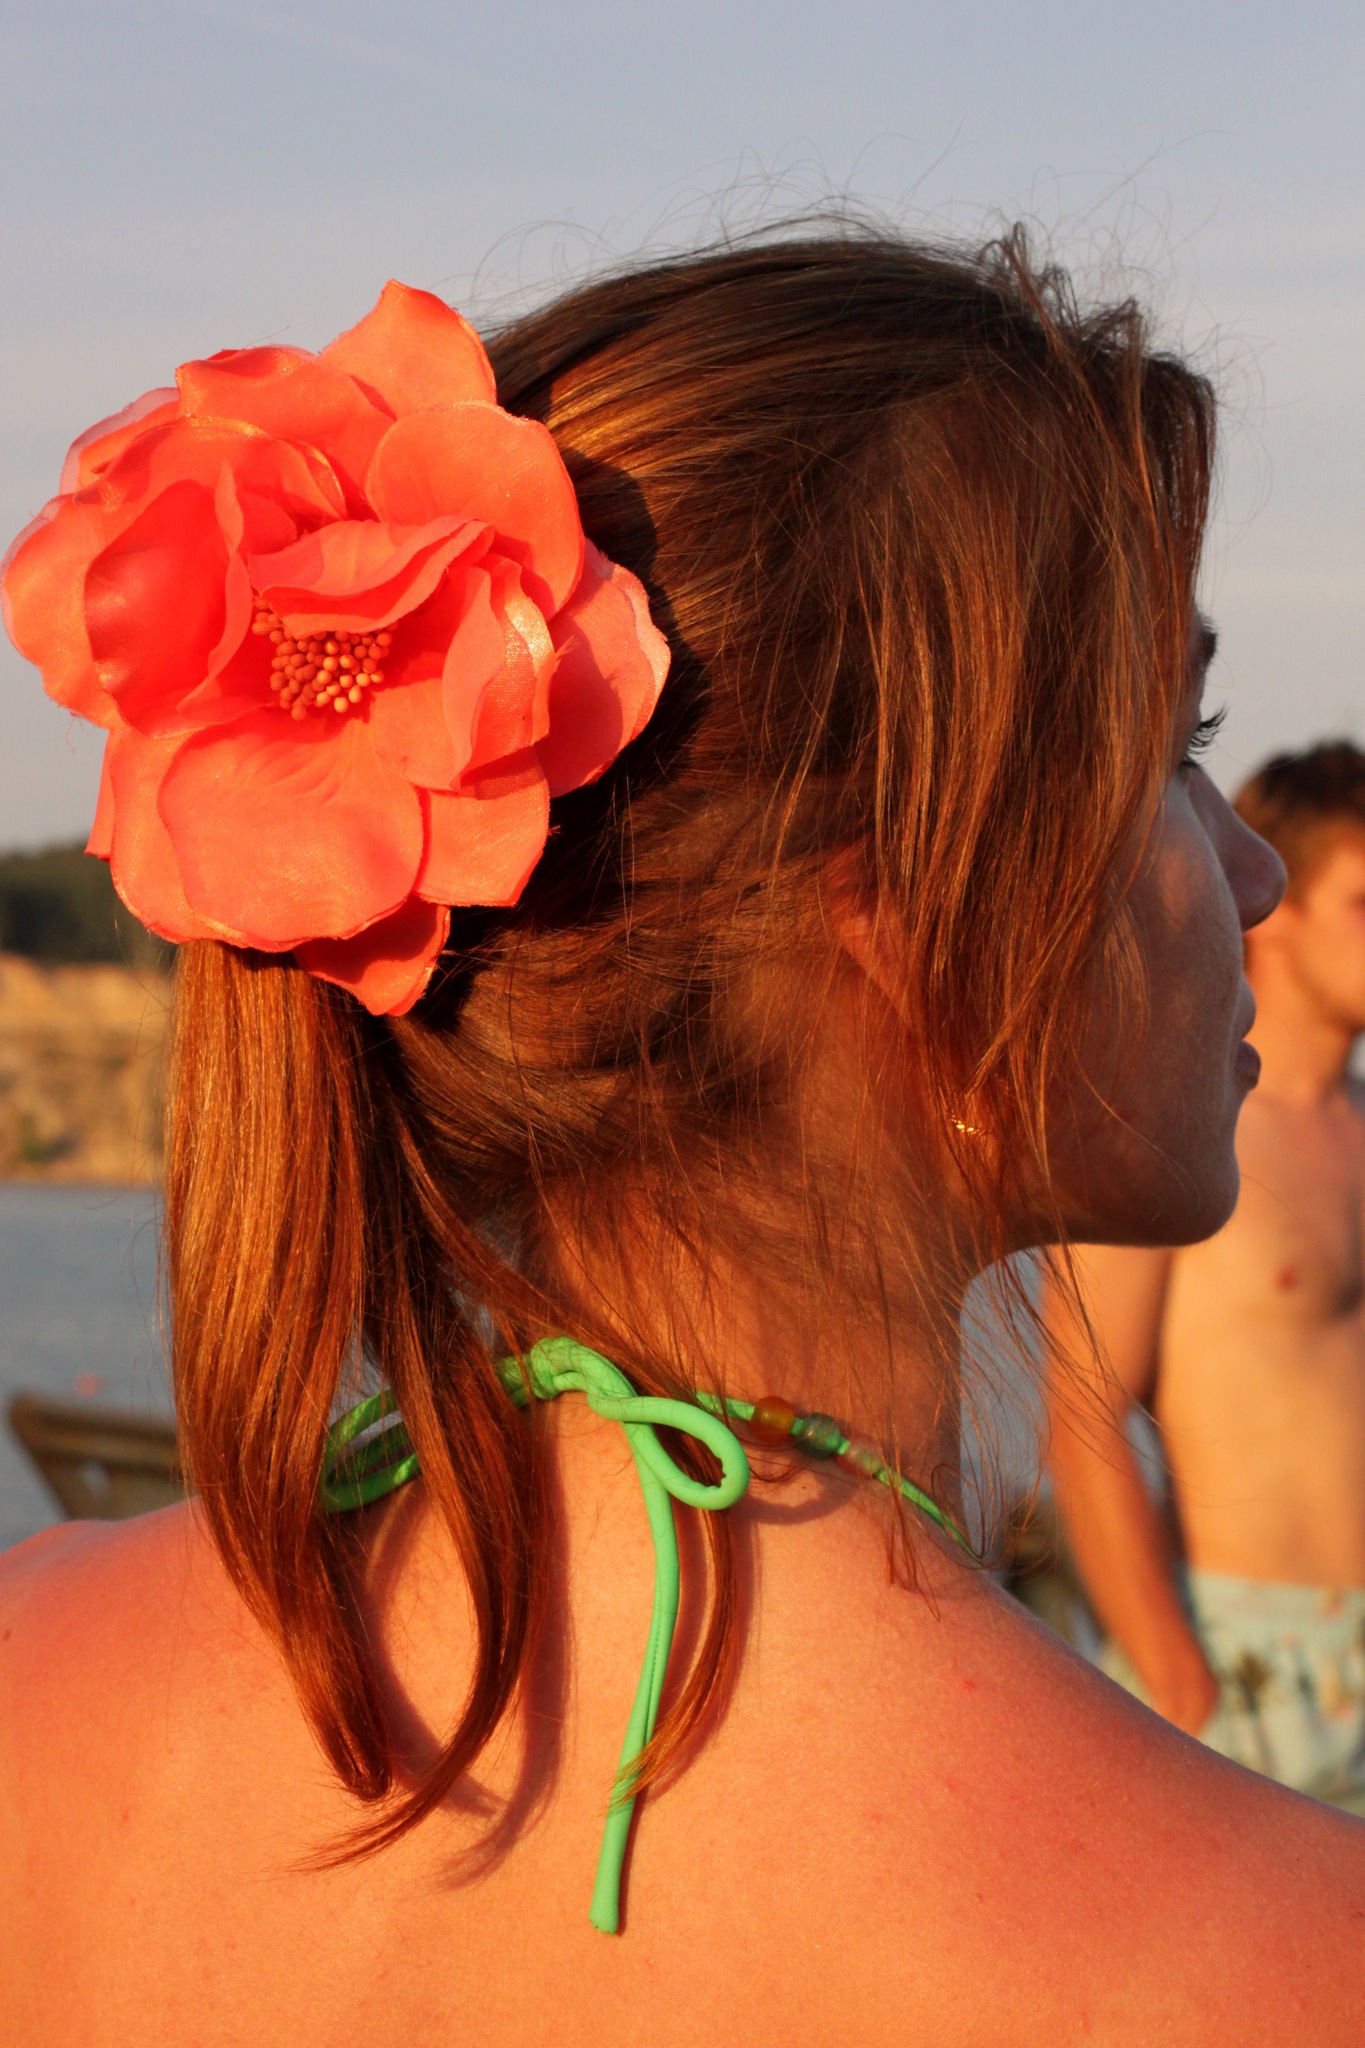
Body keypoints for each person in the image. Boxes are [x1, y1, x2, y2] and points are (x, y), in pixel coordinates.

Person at [1, 229, 1360, 2047]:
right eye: (1175, 750)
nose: (1252, 872)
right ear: (916, 903)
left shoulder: (30, 1674)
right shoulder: (1283, 1953)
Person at [1047, 741, 1365, 1814]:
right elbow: (1082, 1404)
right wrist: (1176, 1680)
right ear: (1278, 908)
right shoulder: (1182, 1125)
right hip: (1246, 1667)